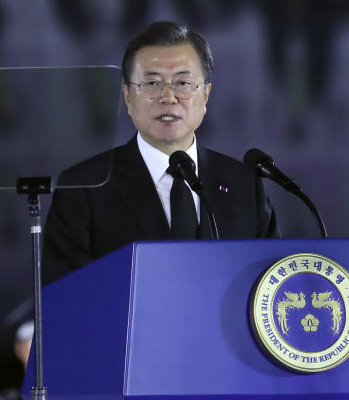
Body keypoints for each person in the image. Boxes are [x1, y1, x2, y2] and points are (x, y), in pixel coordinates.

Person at [41, 21, 279, 284]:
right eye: (152, 83)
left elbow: (271, 284)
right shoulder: (84, 186)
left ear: (206, 95)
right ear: (128, 96)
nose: (168, 97)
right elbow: (67, 299)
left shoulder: (244, 184)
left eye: (183, 83)